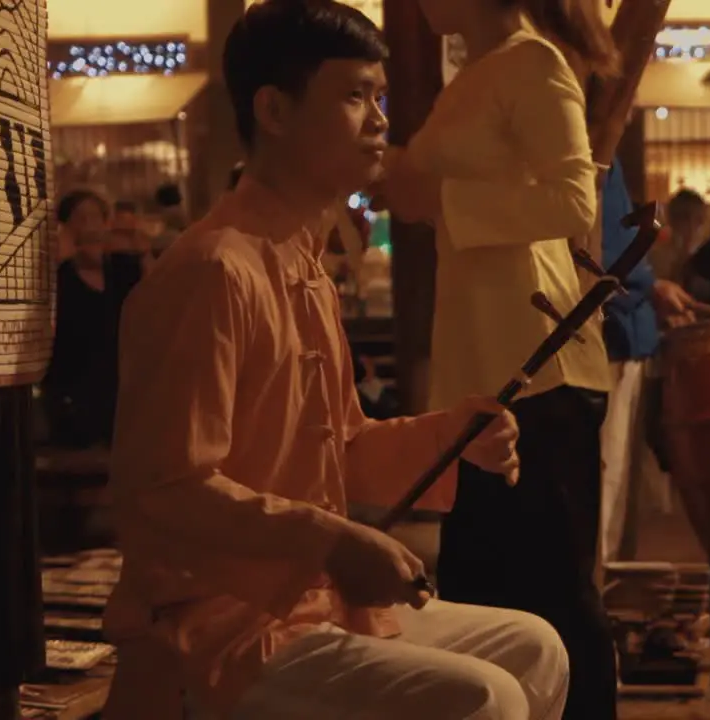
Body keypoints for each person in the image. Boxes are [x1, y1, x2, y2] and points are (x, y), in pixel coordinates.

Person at [101, 3, 569, 719]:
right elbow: (167, 486)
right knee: (486, 696)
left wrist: (451, 437)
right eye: (354, 96)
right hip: (218, 625)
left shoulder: (304, 263)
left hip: (311, 606)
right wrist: (329, 539)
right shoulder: (215, 270)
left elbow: (338, 450)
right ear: (275, 110)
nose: (381, 119)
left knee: (535, 646)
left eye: (378, 97)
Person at [373, 0, 620, 717]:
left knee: (553, 595)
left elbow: (575, 200)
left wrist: (445, 200)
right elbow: (417, 184)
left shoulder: (533, 63)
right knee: (487, 588)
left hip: (538, 364)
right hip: (485, 366)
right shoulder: (476, 73)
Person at [42, 190, 142, 449]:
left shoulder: (125, 270)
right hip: (78, 397)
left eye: (95, 216)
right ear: (67, 225)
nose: (89, 224)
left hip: (125, 393)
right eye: (81, 217)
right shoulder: (59, 279)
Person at [648, 188, 706, 283]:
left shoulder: (708, 258)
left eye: (698, 220)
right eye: (685, 218)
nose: (691, 227)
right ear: (672, 219)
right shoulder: (655, 258)